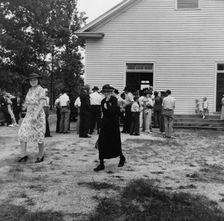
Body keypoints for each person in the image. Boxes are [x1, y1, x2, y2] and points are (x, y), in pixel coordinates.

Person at [94, 84, 126, 172]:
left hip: (113, 124)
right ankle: (101, 163)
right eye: (105, 92)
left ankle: (121, 157)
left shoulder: (114, 99)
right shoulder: (102, 101)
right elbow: (105, 112)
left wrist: (108, 101)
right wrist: (106, 101)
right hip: (105, 123)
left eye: (108, 92)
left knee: (114, 141)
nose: (107, 93)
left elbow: (112, 111)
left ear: (111, 92)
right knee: (102, 142)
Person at [17, 73, 46, 163]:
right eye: (31, 80)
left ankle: (40, 155)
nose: (33, 81)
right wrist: (23, 107)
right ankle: (23, 155)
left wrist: (36, 114)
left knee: (39, 135)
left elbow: (41, 103)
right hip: (29, 115)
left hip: (38, 115)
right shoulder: (29, 90)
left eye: (34, 80)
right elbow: (27, 102)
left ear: (38, 80)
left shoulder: (41, 89)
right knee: (22, 133)